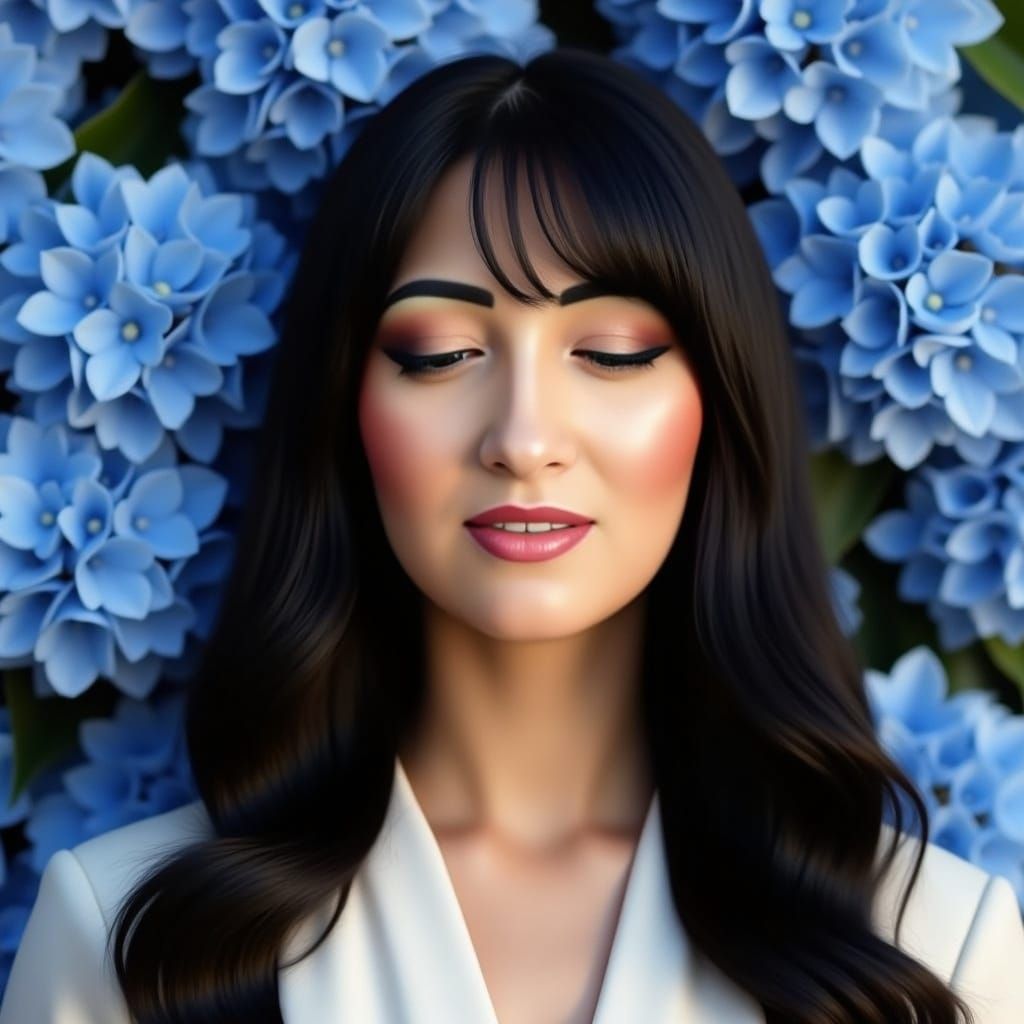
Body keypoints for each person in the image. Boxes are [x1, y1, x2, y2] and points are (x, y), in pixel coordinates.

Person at [2, 46, 1023, 1024]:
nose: (524, 438)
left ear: (719, 403)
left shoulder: (933, 946)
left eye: (613, 352)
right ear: (342, 410)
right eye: (440, 352)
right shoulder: (131, 937)